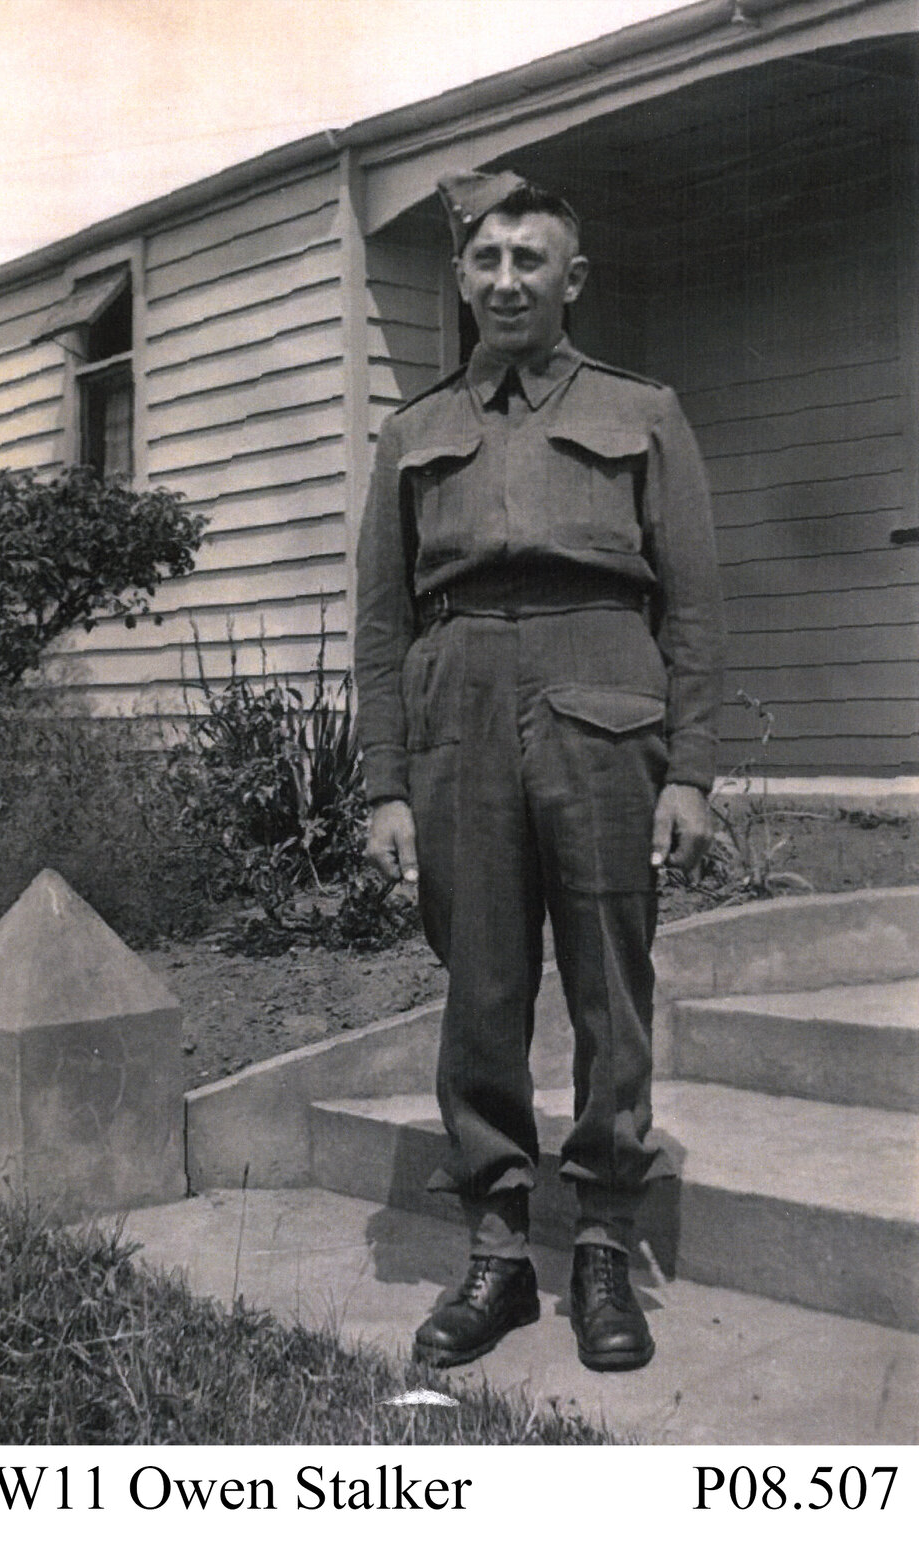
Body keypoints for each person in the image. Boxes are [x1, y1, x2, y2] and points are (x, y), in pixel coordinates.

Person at [354, 170, 724, 1372]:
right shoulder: (410, 434)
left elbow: (697, 606)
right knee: (482, 985)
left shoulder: (645, 410)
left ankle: (606, 1240)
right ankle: (502, 1251)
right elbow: (377, 625)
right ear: (461, 280)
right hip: (456, 706)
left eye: (531, 261)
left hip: (604, 703)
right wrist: (385, 785)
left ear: (572, 282)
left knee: (612, 982)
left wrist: (692, 772)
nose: (506, 280)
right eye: (487, 261)